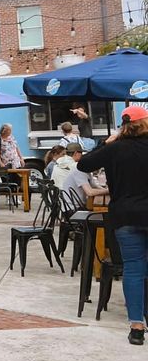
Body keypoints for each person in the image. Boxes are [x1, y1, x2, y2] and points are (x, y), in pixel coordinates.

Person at [77, 104, 148, 345]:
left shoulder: (115, 148)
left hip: (125, 216)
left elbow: (83, 164)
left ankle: (136, 327)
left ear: (123, 126)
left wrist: (105, 143)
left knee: (134, 269)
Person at [60, 144, 105, 211]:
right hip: (73, 209)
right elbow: (90, 192)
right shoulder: (79, 169)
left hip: (77, 205)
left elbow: (94, 185)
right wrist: (108, 191)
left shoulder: (86, 169)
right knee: (104, 212)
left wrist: (105, 190)